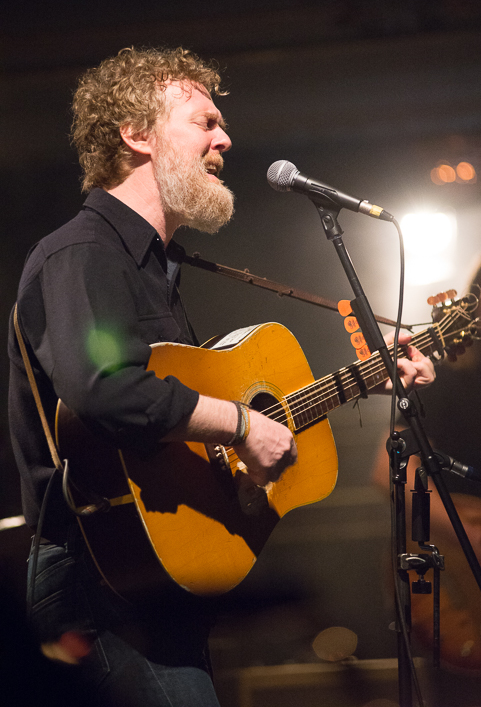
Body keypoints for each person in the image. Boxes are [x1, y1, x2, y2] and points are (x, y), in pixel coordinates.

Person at [8, 46, 435, 707]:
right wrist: (239, 424)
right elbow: (104, 390)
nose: (225, 138)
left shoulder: (158, 267)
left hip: (152, 576)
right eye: (204, 122)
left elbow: (173, 420)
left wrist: (366, 380)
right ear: (136, 135)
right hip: (95, 578)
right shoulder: (82, 254)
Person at [371, 243, 481, 691]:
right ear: (477, 312)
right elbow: (389, 471)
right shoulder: (450, 382)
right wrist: (475, 544)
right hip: (466, 595)